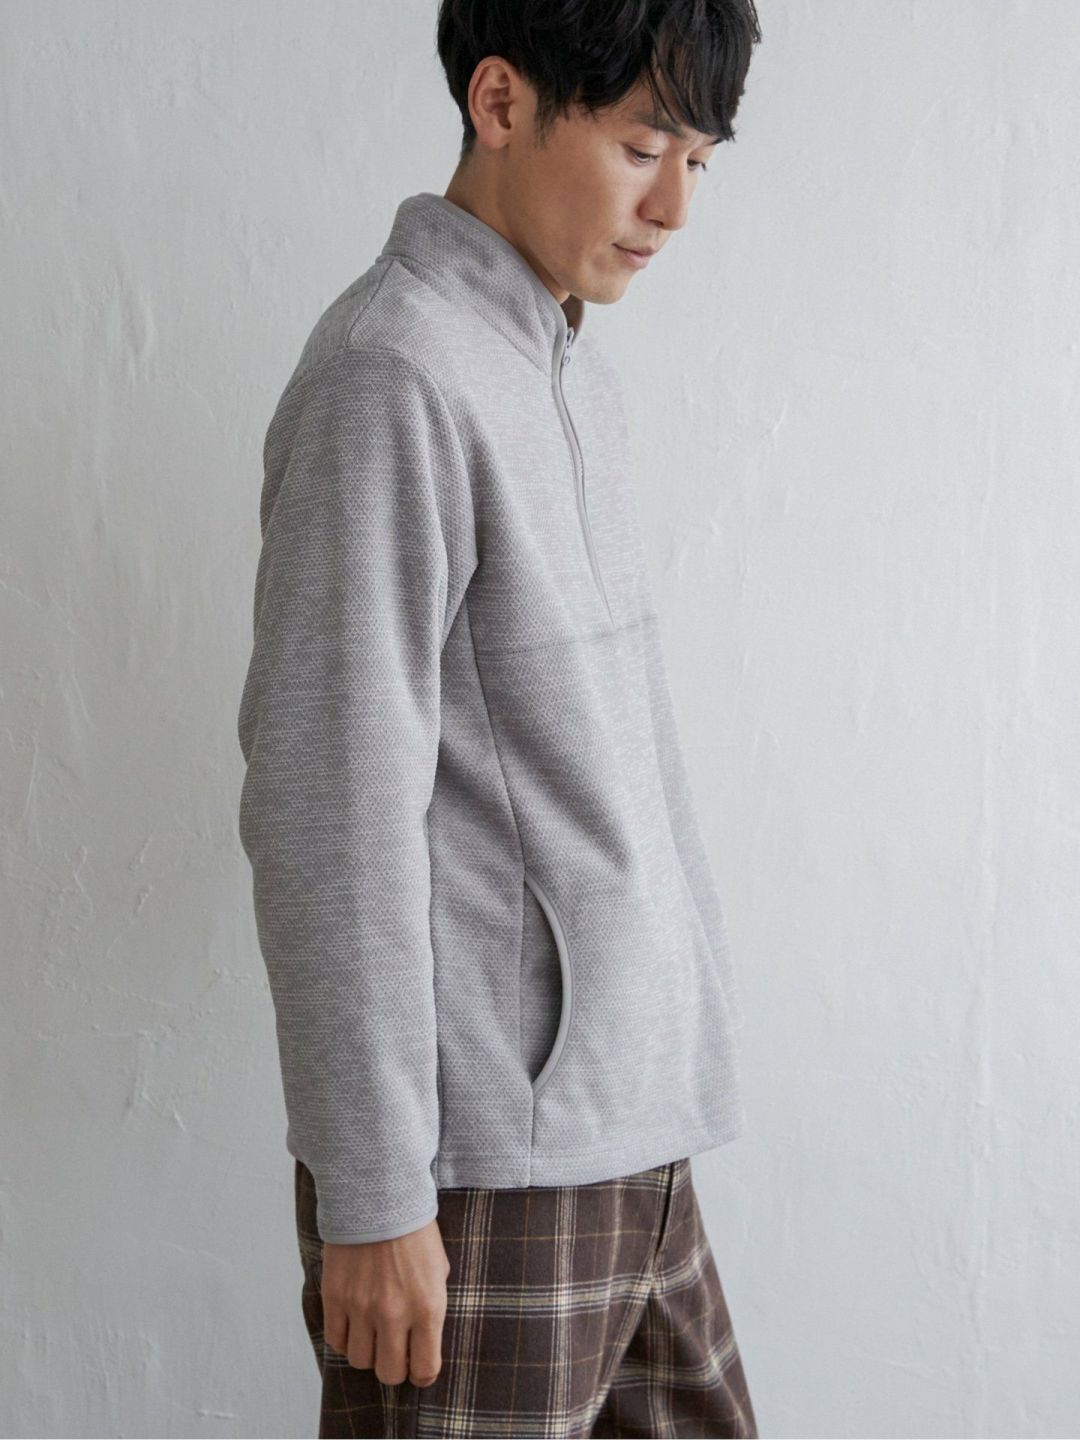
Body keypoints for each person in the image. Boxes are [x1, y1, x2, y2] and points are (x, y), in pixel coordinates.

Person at [236, 1, 763, 1433]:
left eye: (700, 161)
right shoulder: (392, 374)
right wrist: (373, 1192)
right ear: (502, 102)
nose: (675, 208)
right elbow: (326, 805)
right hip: (478, 1176)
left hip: (633, 1142)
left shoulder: (567, 365)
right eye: (644, 146)